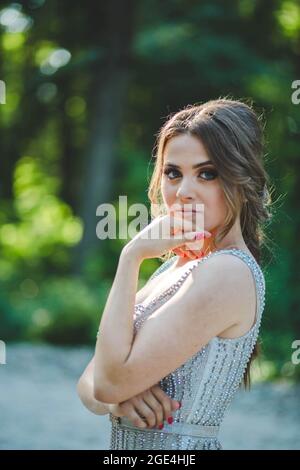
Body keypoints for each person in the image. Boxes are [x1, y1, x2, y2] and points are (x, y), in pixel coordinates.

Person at [77, 98, 271, 450]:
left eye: (207, 173)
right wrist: (117, 399)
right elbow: (91, 382)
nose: (183, 192)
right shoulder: (173, 268)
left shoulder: (228, 272)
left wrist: (131, 256)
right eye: (173, 173)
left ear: (242, 181)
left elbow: (104, 380)